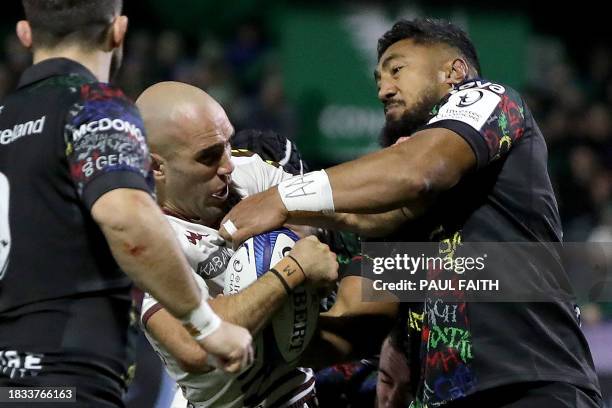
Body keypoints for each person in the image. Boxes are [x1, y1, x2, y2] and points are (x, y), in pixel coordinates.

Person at [219, 18, 603, 407]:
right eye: (378, 80)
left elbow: (421, 169)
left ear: (454, 71)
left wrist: (281, 197)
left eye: (397, 69)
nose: (384, 89)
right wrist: (275, 333)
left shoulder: (492, 100)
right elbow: (356, 322)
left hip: (533, 387)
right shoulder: (401, 224)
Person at [0, 2, 252, 406]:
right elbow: (126, 219)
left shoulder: (4, 119)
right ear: (118, 31)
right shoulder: (96, 107)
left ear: (26, 34)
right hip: (69, 383)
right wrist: (207, 324)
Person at [135, 81, 338, 407]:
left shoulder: (247, 170)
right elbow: (196, 346)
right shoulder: (138, 237)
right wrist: (293, 269)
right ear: (157, 167)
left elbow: (339, 217)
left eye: (227, 145)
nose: (227, 166)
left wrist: (306, 234)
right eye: (208, 157)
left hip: (301, 392)